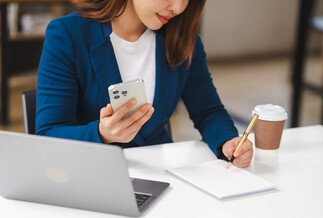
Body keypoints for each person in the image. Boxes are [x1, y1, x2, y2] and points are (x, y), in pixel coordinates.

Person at [36, 0, 253, 168]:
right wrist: (102, 134)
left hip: (161, 176)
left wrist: (226, 142)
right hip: (91, 176)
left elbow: (209, 112)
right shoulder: (67, 34)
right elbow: (47, 136)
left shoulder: (184, 40)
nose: (177, 7)